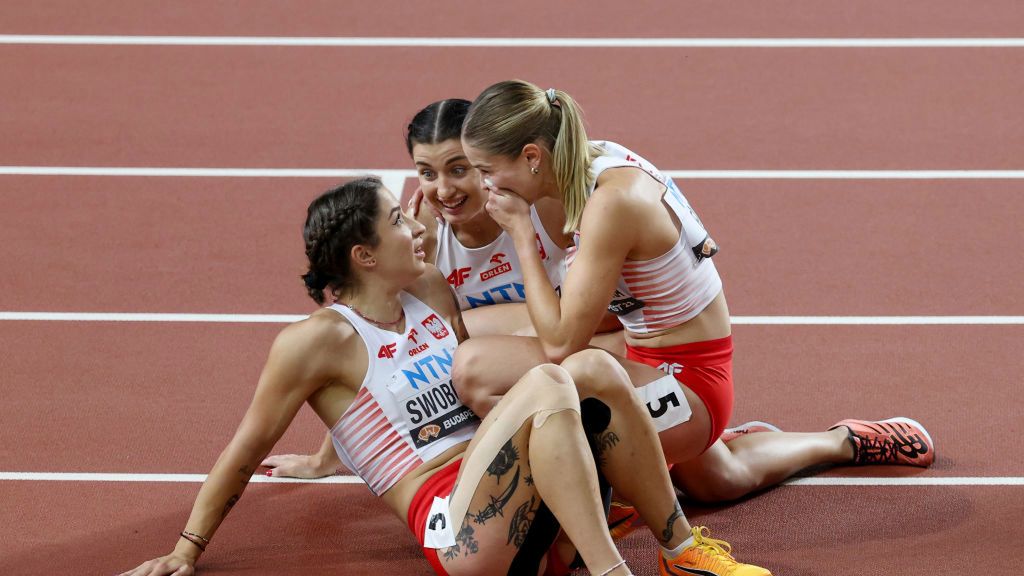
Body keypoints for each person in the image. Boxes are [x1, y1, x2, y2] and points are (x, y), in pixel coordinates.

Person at [118, 177, 772, 576]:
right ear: (364, 254)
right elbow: (243, 451)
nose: (418, 223)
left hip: (527, 506)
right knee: (550, 382)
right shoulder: (315, 342)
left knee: (593, 367)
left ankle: (681, 551)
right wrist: (186, 548)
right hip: (458, 531)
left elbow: (385, 400)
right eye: (399, 220)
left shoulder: (426, 295)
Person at [453, 79, 934, 517]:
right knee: (721, 481)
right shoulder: (579, 164)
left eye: (485, 170)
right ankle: (842, 442)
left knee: (477, 366)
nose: (484, 185)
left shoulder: (612, 203)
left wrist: (519, 234)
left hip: (690, 381)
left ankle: (590, 491)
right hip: (645, 356)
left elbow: (560, 343)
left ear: (532, 157)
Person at [262, 99, 621, 480]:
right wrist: (326, 458)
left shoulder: (545, 210)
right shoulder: (422, 237)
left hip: (591, 346)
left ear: (488, 162)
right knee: (454, 344)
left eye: (459, 169)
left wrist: (518, 322)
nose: (444, 190)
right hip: (501, 377)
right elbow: (386, 354)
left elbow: (613, 314)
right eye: (427, 174)